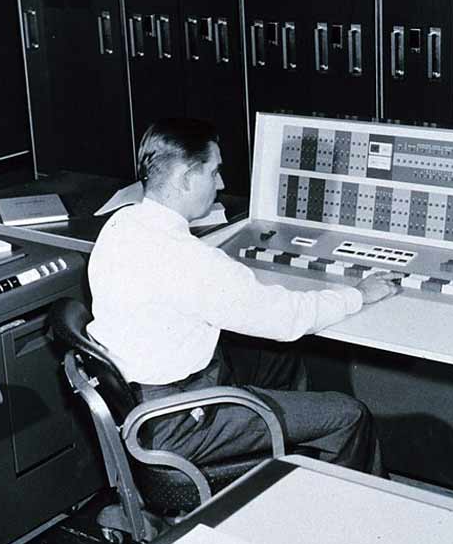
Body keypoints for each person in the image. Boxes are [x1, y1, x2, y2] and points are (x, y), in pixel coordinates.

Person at [87, 118, 401, 476]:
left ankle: (290, 462)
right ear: (187, 178)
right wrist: (357, 294)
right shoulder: (190, 259)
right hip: (182, 420)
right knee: (349, 416)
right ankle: (347, 520)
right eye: (214, 172)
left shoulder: (120, 224)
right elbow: (286, 318)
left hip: (144, 399)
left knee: (277, 355)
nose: (220, 184)